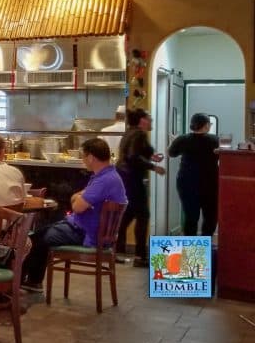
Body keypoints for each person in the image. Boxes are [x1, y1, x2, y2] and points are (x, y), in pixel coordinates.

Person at [21, 138, 127, 292]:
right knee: (39, 234)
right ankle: (31, 281)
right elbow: (78, 198)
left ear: (91, 157)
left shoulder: (103, 180)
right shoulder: (109, 176)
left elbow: (77, 206)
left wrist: (78, 197)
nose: (83, 160)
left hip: (86, 233)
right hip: (87, 229)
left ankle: (27, 281)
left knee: (35, 238)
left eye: (83, 156)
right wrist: (79, 197)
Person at [116, 108, 165, 267]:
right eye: (149, 118)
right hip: (133, 179)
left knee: (127, 216)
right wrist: (153, 166)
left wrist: (152, 156)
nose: (151, 121)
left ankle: (117, 251)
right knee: (143, 215)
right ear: (142, 120)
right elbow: (133, 157)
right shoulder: (139, 134)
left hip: (124, 178)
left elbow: (140, 150)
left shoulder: (130, 132)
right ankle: (140, 257)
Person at [167, 113, 219, 236]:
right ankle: (205, 244)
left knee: (191, 217)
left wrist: (174, 141)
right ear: (206, 125)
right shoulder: (215, 140)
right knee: (210, 216)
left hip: (187, 183)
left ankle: (192, 251)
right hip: (210, 184)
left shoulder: (183, 139)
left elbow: (171, 153)